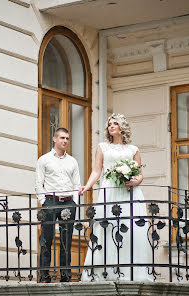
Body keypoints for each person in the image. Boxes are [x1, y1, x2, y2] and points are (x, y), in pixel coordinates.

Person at [78, 113, 153, 282]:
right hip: (109, 190)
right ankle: (103, 272)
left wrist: (134, 181)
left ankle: (130, 272)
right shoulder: (102, 147)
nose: (111, 126)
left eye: (115, 123)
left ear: (122, 127)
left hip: (128, 192)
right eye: (109, 124)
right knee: (106, 227)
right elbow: (97, 171)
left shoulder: (133, 150)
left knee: (130, 229)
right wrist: (87, 186)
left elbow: (140, 175)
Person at [35, 127, 81, 283]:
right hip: (50, 201)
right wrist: (44, 201)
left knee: (66, 240)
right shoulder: (44, 159)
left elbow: (77, 184)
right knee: (46, 240)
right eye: (62, 138)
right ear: (54, 139)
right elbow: (38, 183)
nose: (65, 141)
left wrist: (74, 203)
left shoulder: (73, 161)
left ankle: (65, 276)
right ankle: (45, 276)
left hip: (68, 202)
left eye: (67, 138)